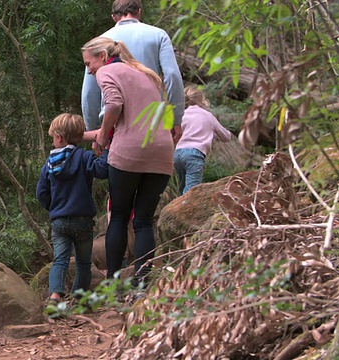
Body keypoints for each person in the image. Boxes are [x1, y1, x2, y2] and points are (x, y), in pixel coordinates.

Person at [81, 37, 174, 285]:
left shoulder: (108, 71)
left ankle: (113, 282)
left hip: (129, 154)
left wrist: (101, 137)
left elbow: (114, 105)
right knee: (143, 220)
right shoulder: (145, 73)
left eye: (89, 63)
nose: (88, 70)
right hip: (162, 152)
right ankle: (141, 283)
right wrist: (85, 134)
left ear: (102, 56)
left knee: (120, 216)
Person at [81, 0, 184, 143]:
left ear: (113, 17)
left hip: (114, 125)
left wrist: (95, 131)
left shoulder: (99, 43)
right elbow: (172, 76)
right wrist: (176, 118)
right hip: (152, 122)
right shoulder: (158, 35)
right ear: (139, 12)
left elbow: (89, 93)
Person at [36, 113, 109, 305]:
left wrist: (53, 208)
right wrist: (106, 149)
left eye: (53, 137)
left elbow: (41, 192)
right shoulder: (84, 157)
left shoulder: (49, 164)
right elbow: (102, 170)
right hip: (83, 220)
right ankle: (80, 299)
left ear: (59, 137)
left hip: (59, 221)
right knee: (84, 262)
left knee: (60, 260)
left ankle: (55, 298)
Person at [174, 85, 233, 195]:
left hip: (178, 153)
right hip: (195, 154)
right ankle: (187, 210)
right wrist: (228, 134)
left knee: (182, 187)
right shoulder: (207, 115)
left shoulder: (182, 115)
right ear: (201, 100)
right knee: (192, 190)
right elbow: (225, 136)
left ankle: (177, 208)